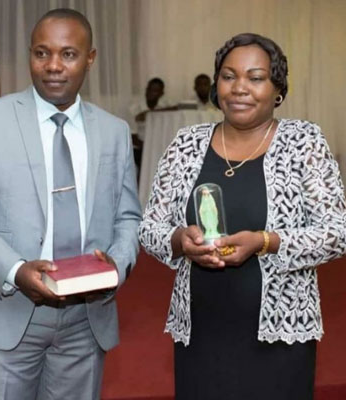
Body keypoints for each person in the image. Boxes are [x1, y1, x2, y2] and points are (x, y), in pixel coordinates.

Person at [0, 8, 141, 400]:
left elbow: (128, 217)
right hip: (8, 311)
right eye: (41, 53)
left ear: (90, 58)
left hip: (86, 320)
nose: (53, 66)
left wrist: (115, 268)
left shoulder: (114, 131)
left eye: (68, 54)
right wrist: (16, 270)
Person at [139, 32, 346, 400]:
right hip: (202, 333)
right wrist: (177, 240)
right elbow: (150, 226)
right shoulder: (186, 143)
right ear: (216, 83)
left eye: (256, 77)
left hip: (279, 336)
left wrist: (265, 242)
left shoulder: (304, 142)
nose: (239, 88)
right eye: (229, 76)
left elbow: (337, 232)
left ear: (278, 88)